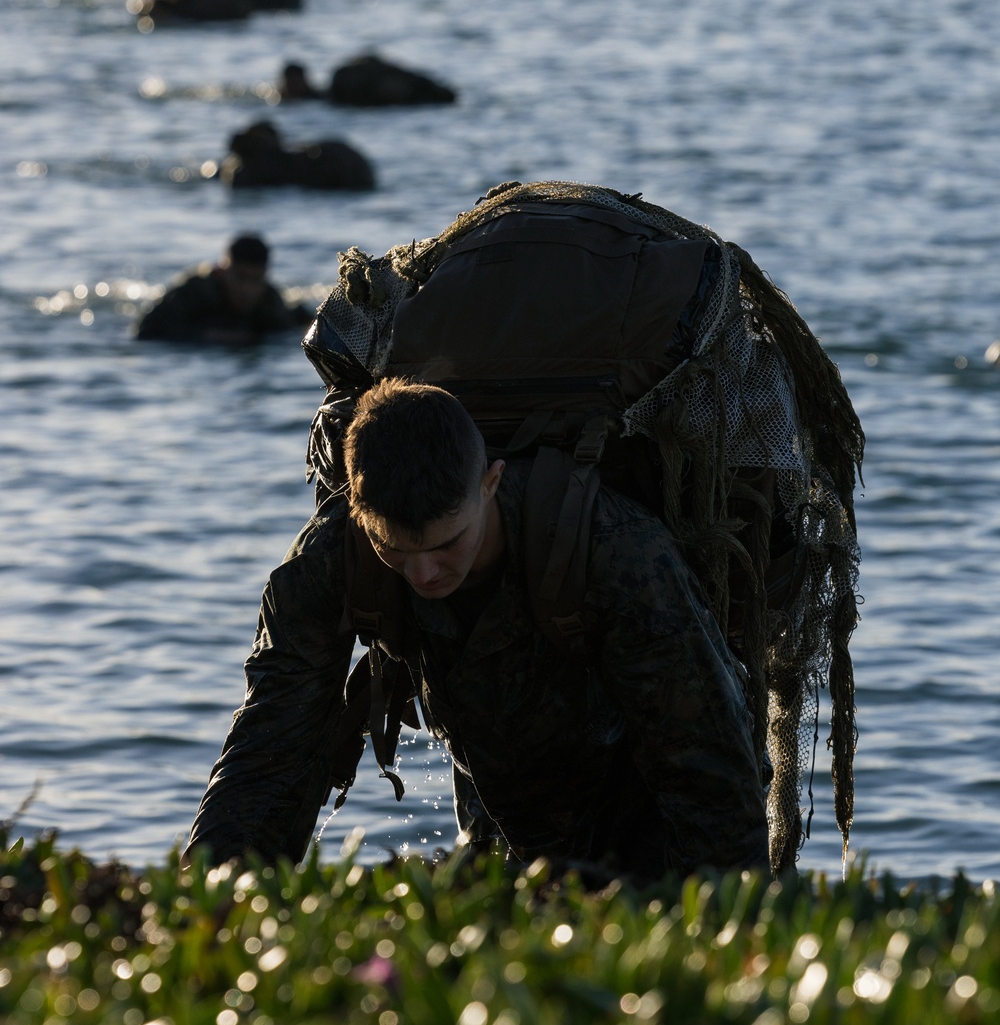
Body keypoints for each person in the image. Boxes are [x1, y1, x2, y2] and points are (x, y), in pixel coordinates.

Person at [185, 378, 768, 883]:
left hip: (645, 823)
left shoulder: (618, 555)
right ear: (357, 508)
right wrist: (208, 900)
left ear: (490, 483)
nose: (422, 573)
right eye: (393, 548)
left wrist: (730, 930)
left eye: (446, 545)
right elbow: (270, 742)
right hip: (502, 825)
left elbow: (709, 766)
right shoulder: (329, 562)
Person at [135, 235, 312, 346]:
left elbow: (285, 331)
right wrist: (205, 336)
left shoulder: (269, 298)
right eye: (240, 278)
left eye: (255, 280)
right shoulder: (194, 291)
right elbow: (145, 330)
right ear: (222, 272)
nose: (247, 289)